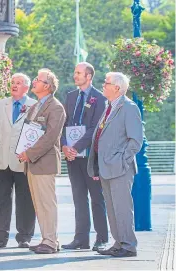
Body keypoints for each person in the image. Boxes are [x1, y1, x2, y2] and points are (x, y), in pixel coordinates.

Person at [87, 72, 143, 257]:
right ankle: (118, 243)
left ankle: (128, 245)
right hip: (105, 167)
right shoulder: (109, 106)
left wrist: (121, 160)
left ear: (117, 88)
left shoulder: (129, 107)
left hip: (119, 168)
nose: (103, 85)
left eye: (106, 82)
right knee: (112, 209)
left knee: (122, 208)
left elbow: (136, 140)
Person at [61, 62, 108, 251]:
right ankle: (81, 239)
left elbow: (95, 128)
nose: (75, 75)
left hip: (90, 157)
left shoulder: (100, 98)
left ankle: (102, 238)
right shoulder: (71, 96)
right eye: (75, 72)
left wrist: (76, 146)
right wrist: (65, 145)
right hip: (72, 157)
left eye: (79, 73)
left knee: (97, 198)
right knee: (78, 198)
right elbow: (63, 124)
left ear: (89, 76)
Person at [18, 68, 66, 254]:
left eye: (38, 79)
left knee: (47, 203)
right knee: (39, 203)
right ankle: (48, 238)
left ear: (47, 86)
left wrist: (29, 153)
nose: (34, 82)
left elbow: (50, 137)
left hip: (44, 162)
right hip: (32, 162)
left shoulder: (56, 107)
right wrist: (22, 151)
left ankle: (51, 242)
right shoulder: (35, 106)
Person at [0, 73, 36, 249]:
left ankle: (24, 236)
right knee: (2, 199)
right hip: (3, 160)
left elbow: (36, 133)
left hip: (24, 161)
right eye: (13, 82)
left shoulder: (33, 106)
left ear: (26, 87)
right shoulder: (2, 104)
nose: (14, 85)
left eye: (19, 83)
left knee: (25, 199)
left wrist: (31, 155)